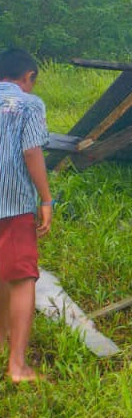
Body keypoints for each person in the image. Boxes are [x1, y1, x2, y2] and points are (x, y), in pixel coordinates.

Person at [0, 48, 53, 383]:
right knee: (21, 277)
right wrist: (46, 199)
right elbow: (31, 150)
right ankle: (17, 367)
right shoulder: (29, 104)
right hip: (13, 202)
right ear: (28, 77)